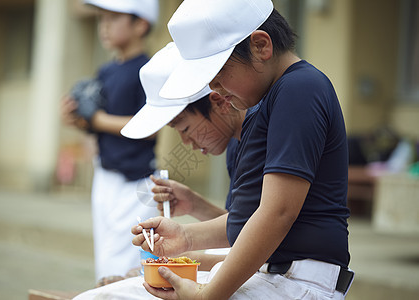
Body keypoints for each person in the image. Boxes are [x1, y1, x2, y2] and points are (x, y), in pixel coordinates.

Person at [130, 0, 354, 299]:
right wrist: (184, 236)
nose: (216, 88)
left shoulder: (299, 88)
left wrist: (208, 295)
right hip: (275, 275)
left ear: (261, 45)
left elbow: (278, 212)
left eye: (219, 74)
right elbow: (249, 219)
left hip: (296, 282)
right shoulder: (269, 101)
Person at [73, 42, 246, 300]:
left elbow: (260, 242)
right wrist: (196, 206)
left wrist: (180, 255)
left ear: (219, 101)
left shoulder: (261, 134)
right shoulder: (235, 146)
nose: (187, 143)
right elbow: (243, 230)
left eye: (185, 128)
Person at [60, 0, 159, 283]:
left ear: (140, 24)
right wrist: (76, 119)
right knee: (106, 261)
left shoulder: (148, 69)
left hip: (136, 182)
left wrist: (96, 119)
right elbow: (96, 126)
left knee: (126, 265)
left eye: (114, 17)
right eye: (102, 18)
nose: (104, 25)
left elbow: (149, 126)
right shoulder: (105, 71)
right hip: (105, 174)